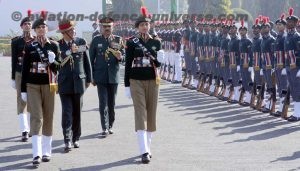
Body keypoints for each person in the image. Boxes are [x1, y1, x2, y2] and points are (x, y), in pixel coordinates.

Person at [21, 11, 60, 167]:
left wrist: (52, 61)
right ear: (35, 30)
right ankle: (36, 153)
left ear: (47, 29)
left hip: (49, 85)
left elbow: (58, 69)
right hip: (32, 85)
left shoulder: (54, 45)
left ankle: (46, 151)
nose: (41, 29)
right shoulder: (30, 46)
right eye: (39, 28)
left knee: (49, 117)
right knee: (37, 117)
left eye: (44, 27)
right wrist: (23, 89)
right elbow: (24, 69)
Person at [124, 6, 163, 164]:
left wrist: (160, 58)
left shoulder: (156, 42)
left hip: (153, 80)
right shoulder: (132, 43)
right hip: (136, 80)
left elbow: (158, 64)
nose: (145, 27)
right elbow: (127, 64)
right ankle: (144, 151)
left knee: (151, 113)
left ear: (150, 25)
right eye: (141, 25)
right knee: (140, 113)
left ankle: (148, 146)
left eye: (147, 24)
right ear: (137, 27)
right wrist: (127, 85)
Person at [57, 19, 92, 152]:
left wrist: (89, 78)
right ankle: (67, 139)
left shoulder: (80, 42)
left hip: (79, 82)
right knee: (66, 112)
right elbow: (56, 62)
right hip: (64, 83)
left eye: (74, 29)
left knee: (77, 112)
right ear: (65, 33)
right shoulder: (58, 45)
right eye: (71, 30)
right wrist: (68, 52)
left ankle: (76, 137)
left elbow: (86, 61)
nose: (74, 31)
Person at [89, 17, 124, 136]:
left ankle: (110, 125)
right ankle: (104, 127)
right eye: (105, 26)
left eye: (109, 26)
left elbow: (123, 57)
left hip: (113, 76)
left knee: (111, 103)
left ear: (112, 27)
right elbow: (90, 59)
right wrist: (91, 76)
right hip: (100, 76)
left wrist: (120, 57)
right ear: (100, 28)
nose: (107, 28)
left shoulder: (118, 40)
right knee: (103, 102)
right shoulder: (96, 40)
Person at [11, 10, 34, 142]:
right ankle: (24, 130)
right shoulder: (16, 42)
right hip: (20, 73)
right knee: (21, 101)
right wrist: (13, 77)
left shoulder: (36, 40)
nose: (27, 26)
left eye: (29, 24)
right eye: (25, 24)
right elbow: (13, 60)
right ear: (21, 26)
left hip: (32, 73)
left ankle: (31, 128)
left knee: (32, 100)